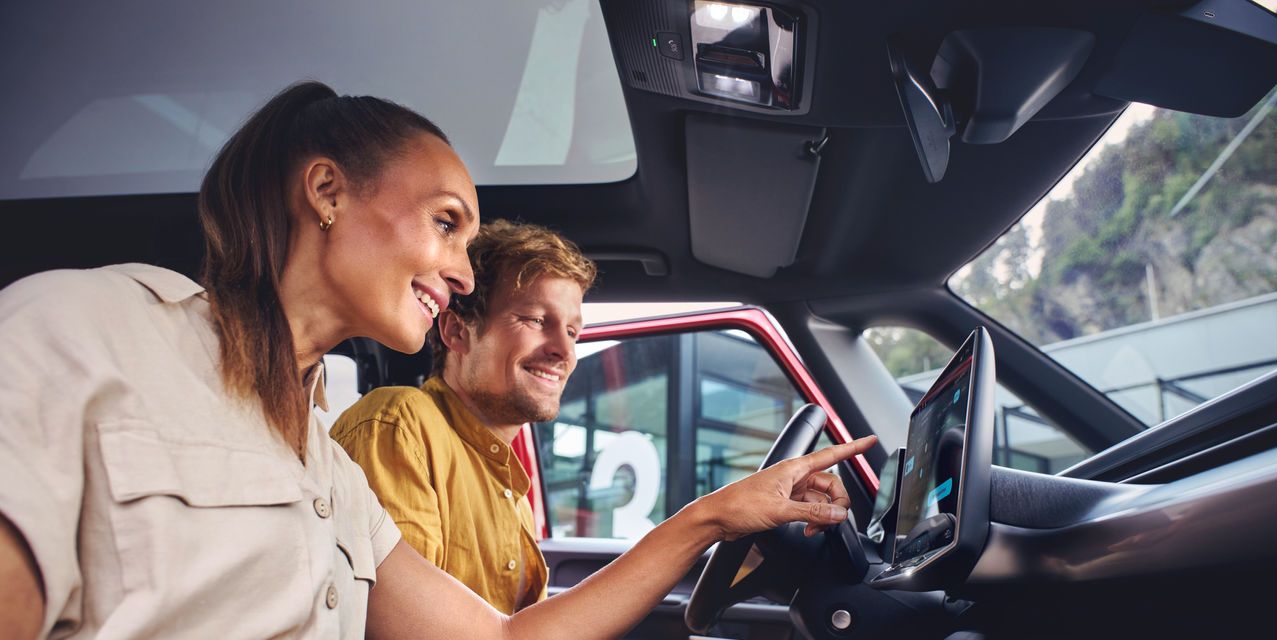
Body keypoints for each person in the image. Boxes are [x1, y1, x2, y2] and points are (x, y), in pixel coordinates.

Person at [0, 81, 876, 639]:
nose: (460, 273)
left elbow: (501, 637)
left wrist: (717, 515)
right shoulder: (85, 329)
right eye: (446, 223)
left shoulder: (328, 474)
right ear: (327, 191)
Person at [331, 219, 591, 613]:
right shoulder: (400, 425)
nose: (564, 351)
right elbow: (408, 624)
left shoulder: (510, 488)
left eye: (572, 332)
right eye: (536, 320)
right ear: (456, 332)